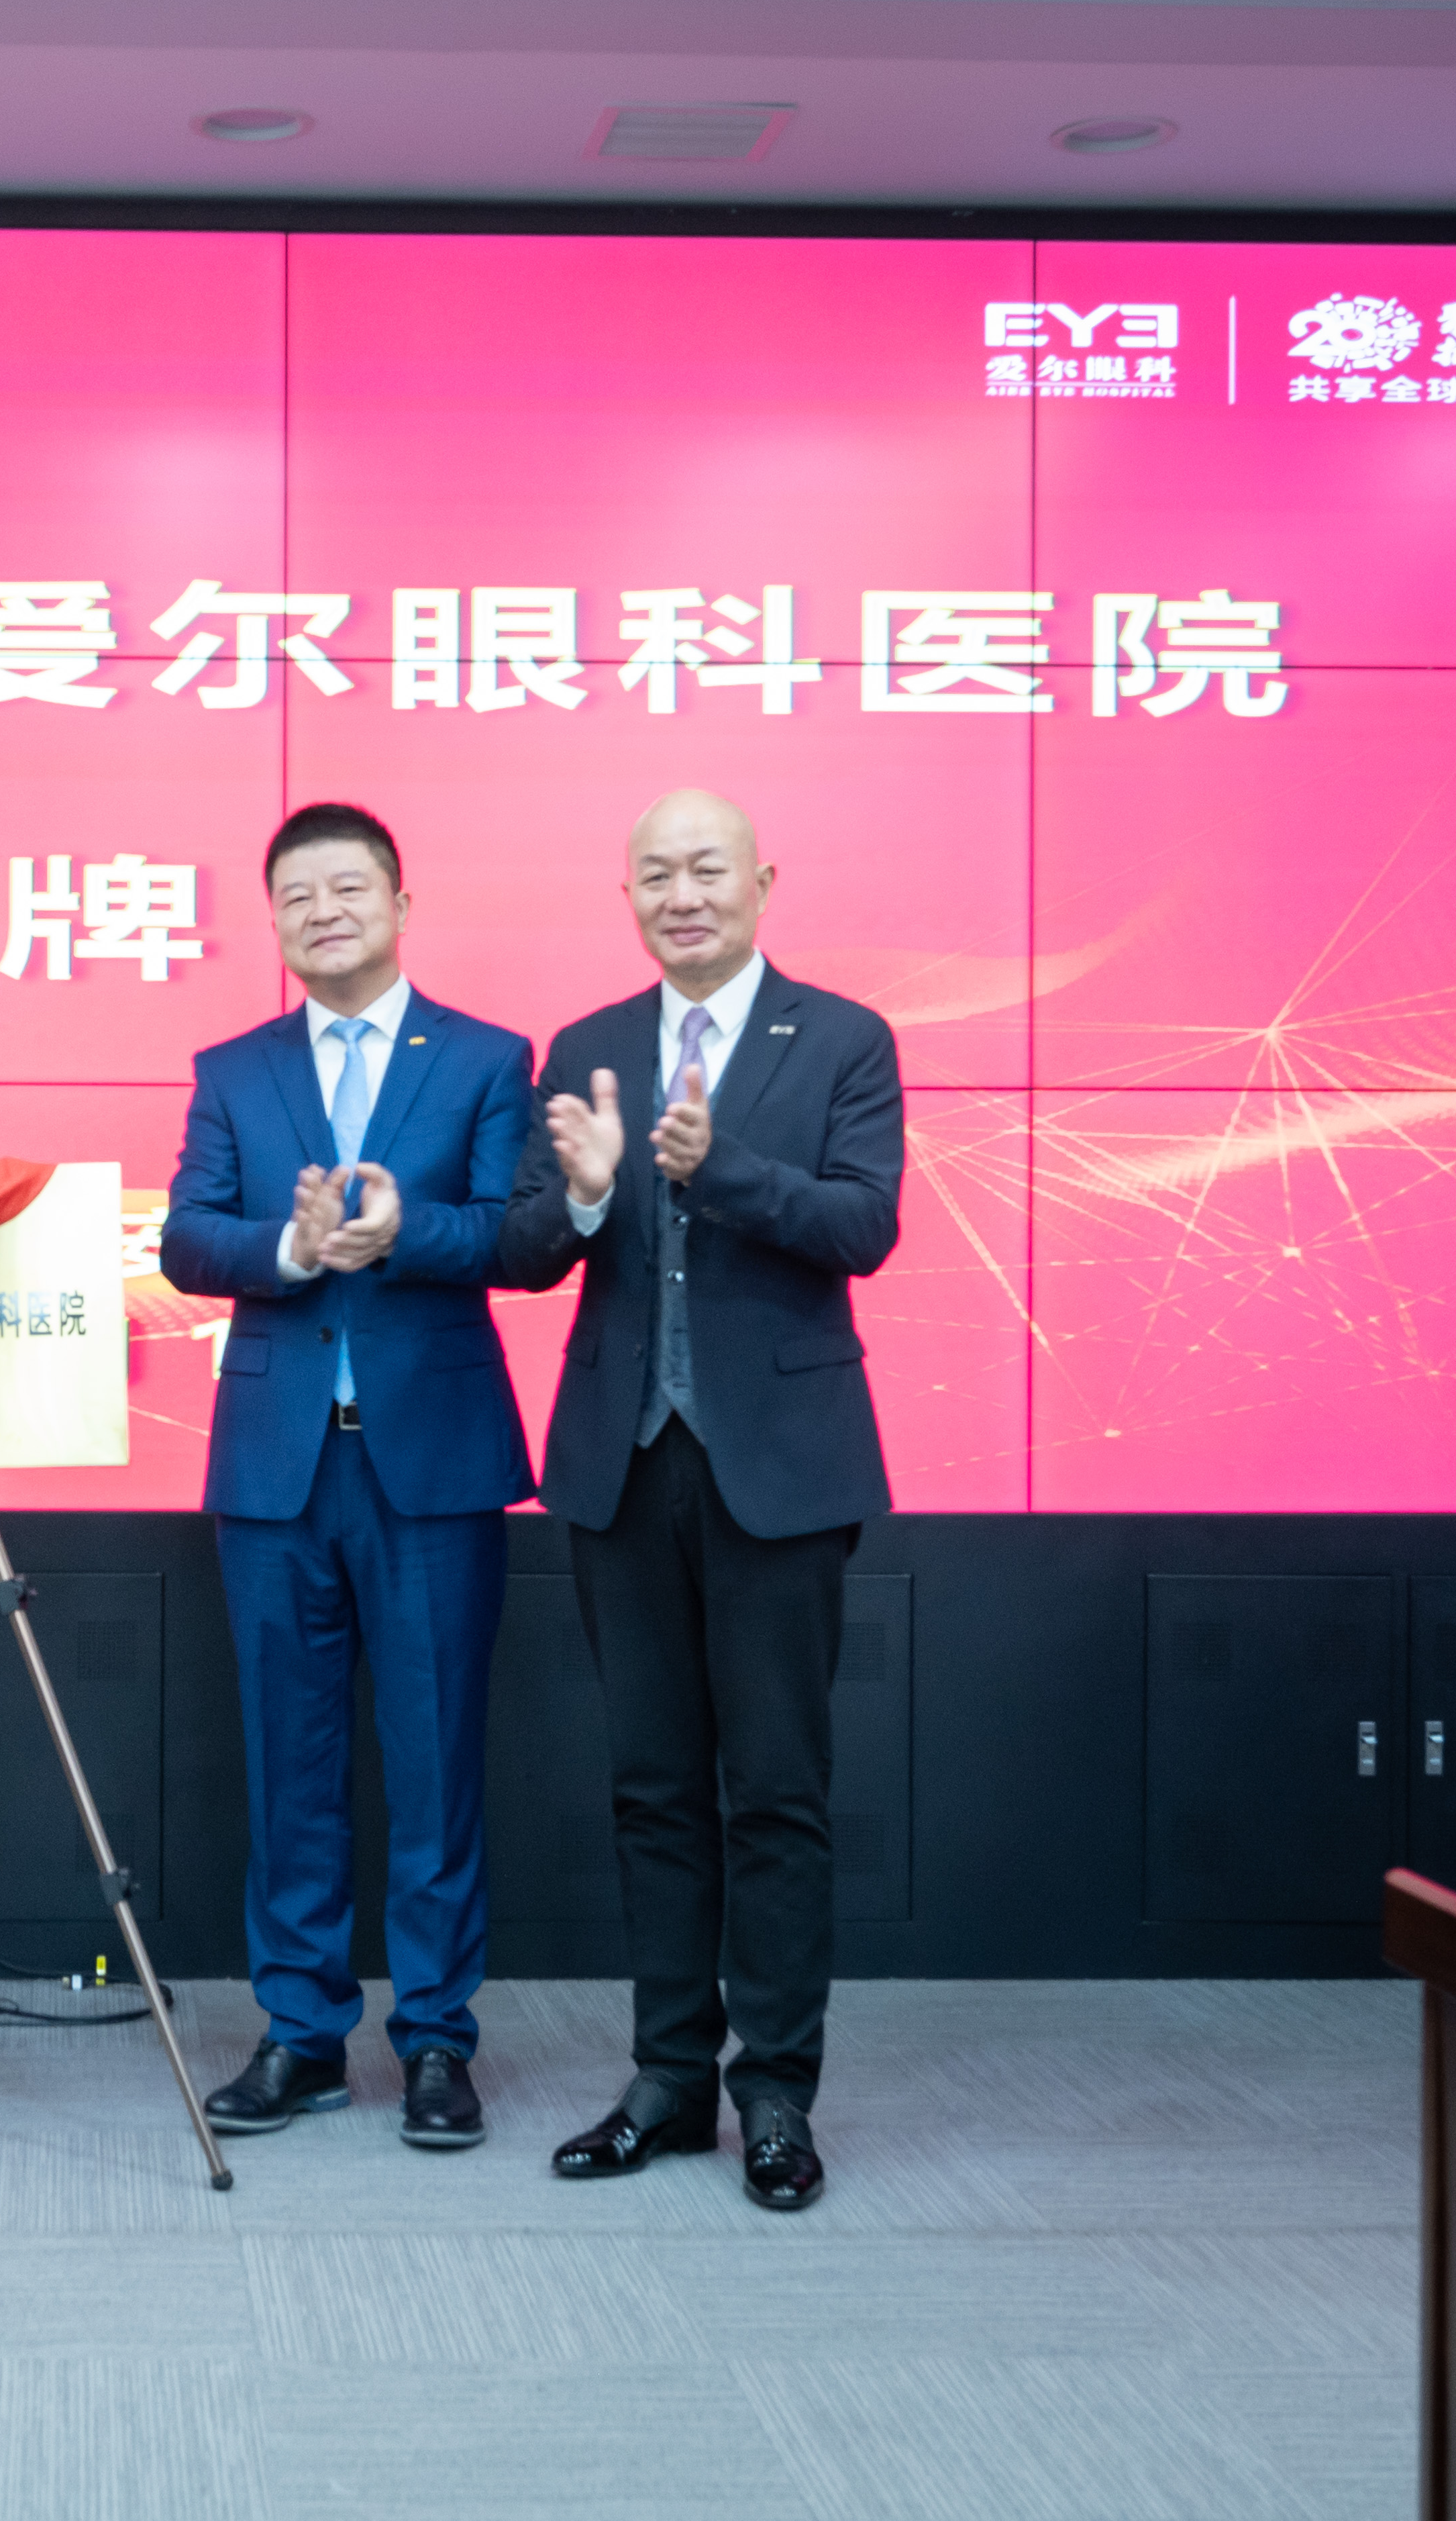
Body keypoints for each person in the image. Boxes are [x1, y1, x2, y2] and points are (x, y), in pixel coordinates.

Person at [493, 786, 902, 2213]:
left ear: (761, 881)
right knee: (654, 1788)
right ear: (628, 896)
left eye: (706, 868)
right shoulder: (588, 1047)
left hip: (780, 1466)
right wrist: (586, 1196)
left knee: (776, 1789)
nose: (683, 894)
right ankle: (667, 2078)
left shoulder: (842, 1037)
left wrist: (717, 1169)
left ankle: (775, 2092)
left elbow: (865, 1222)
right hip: (623, 1463)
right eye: (656, 873)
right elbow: (530, 1248)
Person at [161, 801, 539, 2148]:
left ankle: (436, 2038)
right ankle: (302, 2032)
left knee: (436, 1761)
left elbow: (517, 1236)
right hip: (277, 1467)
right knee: (291, 1760)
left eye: (348, 889)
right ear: (273, 920)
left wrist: (399, 1235)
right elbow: (187, 1239)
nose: (323, 913)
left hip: (431, 1460)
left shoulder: (487, 1057)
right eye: (297, 896)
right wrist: (292, 1250)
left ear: (399, 903)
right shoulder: (234, 1069)